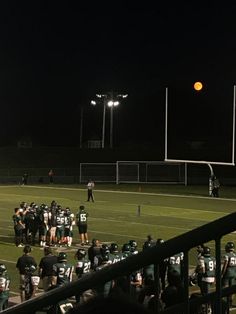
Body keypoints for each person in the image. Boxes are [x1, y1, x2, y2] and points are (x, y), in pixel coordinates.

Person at [221, 241, 236, 308]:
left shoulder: (226, 255)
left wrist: (222, 274)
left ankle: (223, 303)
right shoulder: (235, 255)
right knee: (232, 289)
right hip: (234, 272)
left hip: (228, 272)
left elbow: (225, 265)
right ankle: (230, 303)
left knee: (224, 287)